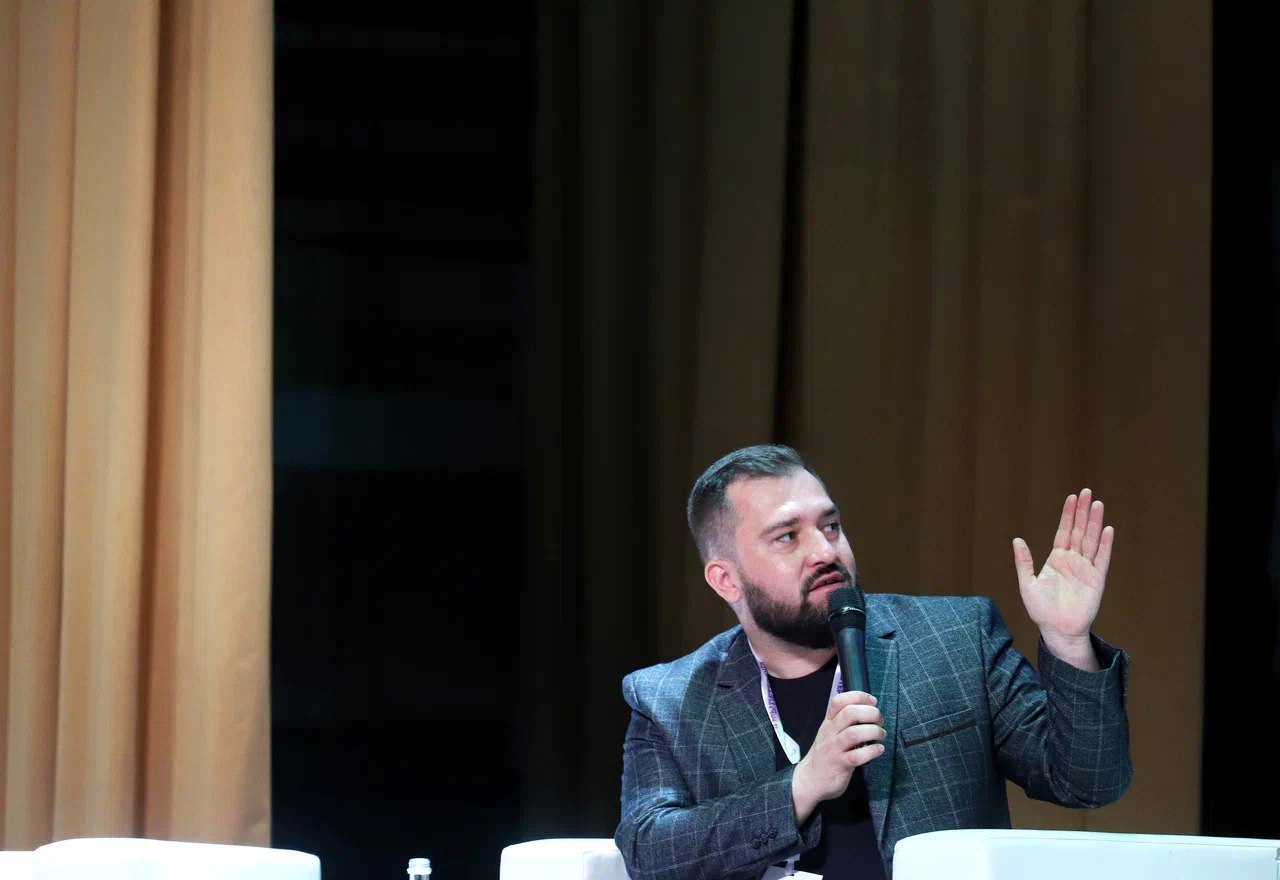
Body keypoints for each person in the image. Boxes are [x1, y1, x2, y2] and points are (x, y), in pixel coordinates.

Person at [615, 445, 1131, 879]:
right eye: (787, 537)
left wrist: (1068, 642)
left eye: (831, 526)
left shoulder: (954, 638)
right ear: (726, 580)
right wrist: (802, 785)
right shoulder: (669, 698)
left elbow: (1087, 781)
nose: (825, 551)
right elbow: (649, 851)